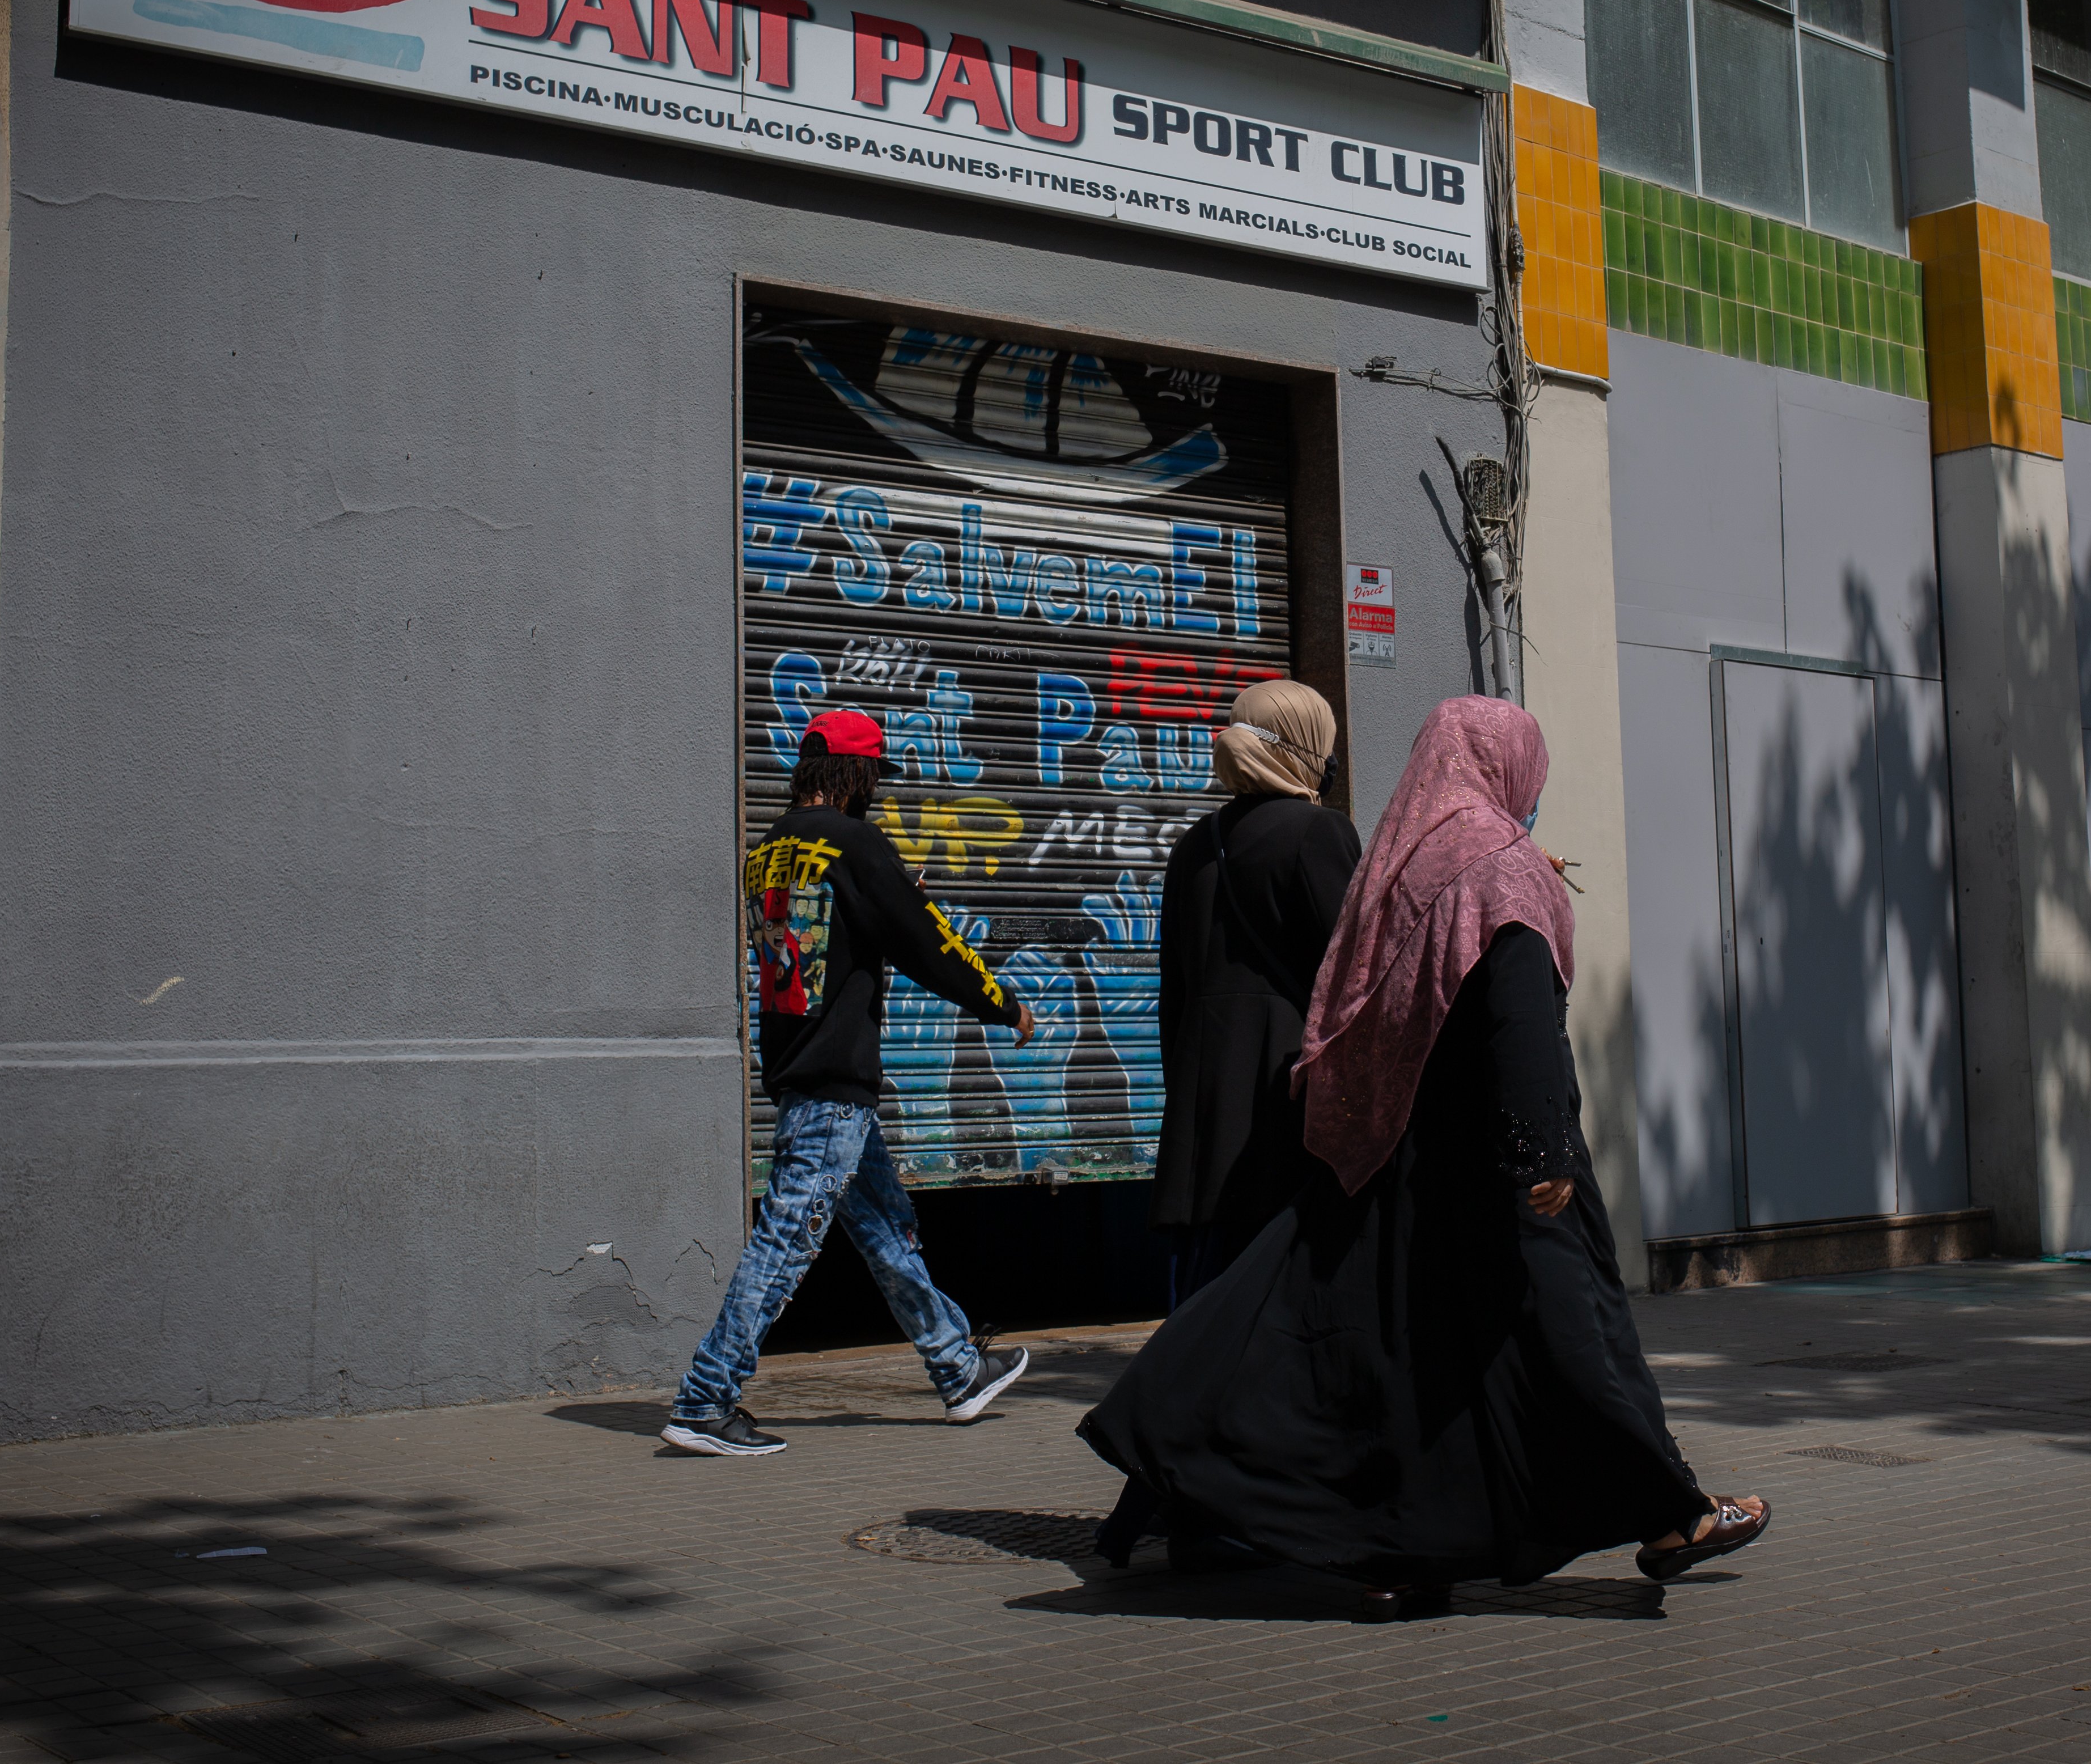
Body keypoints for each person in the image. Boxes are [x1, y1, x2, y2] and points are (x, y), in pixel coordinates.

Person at [1079, 694, 1768, 1619]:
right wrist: (1543, 1152)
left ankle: (1399, 1554)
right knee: (1576, 1331)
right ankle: (1670, 1510)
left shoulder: (1390, 861)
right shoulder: (1496, 865)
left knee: (1393, 1360)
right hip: (1492, 1155)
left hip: (1371, 1151)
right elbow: (1515, 1016)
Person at [663, 709, 1037, 1455]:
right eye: (875, 779)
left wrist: (892, 892)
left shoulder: (771, 849)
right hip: (834, 1079)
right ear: (856, 775)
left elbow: (814, 943)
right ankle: (705, 1401)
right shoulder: (857, 843)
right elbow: (928, 942)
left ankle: (958, 1367)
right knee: (785, 1244)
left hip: (802, 1067)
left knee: (885, 1228)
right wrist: (1003, 1004)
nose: (878, 795)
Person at [1096, 679, 1361, 1565]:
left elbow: (1177, 998)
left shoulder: (1191, 847)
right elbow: (1351, 979)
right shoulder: (1320, 835)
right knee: (1276, 1320)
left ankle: (1184, 1506)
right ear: (1305, 745)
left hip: (1204, 1116)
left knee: (1206, 1313)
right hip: (1282, 1117)